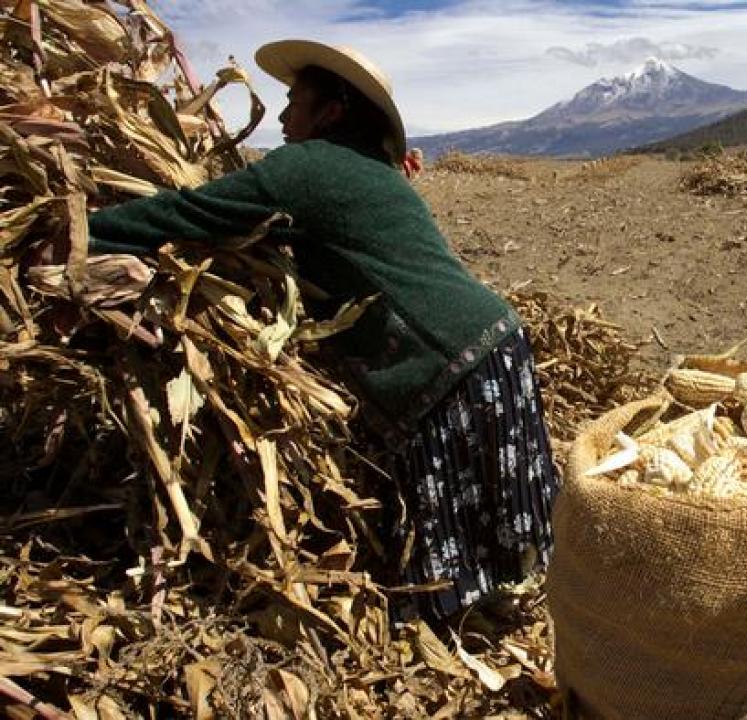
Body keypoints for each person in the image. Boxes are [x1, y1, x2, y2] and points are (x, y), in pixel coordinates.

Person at [85, 40, 559, 621]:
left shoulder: (305, 169)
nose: (282, 117)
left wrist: (77, 231)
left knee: (442, 549)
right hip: (493, 339)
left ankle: (453, 630)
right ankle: (504, 614)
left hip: (446, 358)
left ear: (331, 110)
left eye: (293, 102)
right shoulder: (372, 169)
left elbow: (183, 214)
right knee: (495, 517)